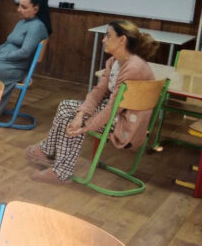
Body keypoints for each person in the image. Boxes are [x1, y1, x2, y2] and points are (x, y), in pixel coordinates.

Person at [25, 20, 157, 184]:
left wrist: (85, 127)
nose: (103, 40)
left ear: (122, 40)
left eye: (108, 36)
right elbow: (98, 91)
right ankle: (51, 155)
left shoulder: (133, 68)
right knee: (67, 108)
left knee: (68, 115)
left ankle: (59, 169)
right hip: (116, 115)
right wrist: (80, 115)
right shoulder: (114, 62)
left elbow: (112, 109)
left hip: (127, 126)